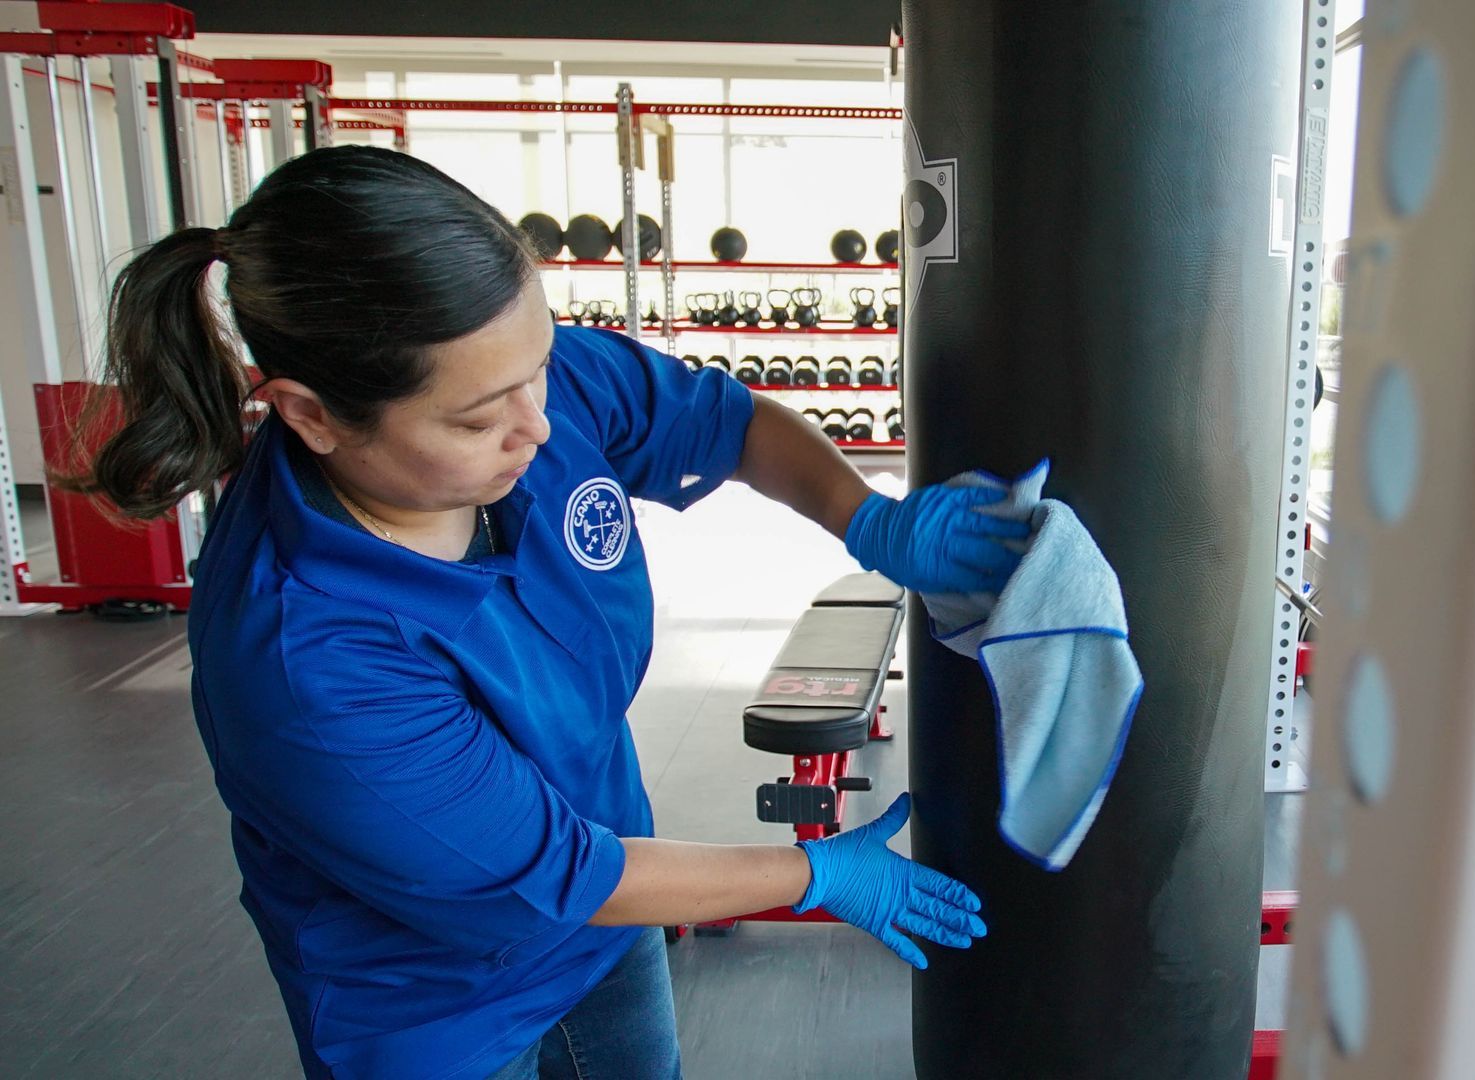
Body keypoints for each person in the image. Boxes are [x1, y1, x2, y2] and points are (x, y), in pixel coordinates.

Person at [67, 146, 1030, 1079]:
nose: (538, 420)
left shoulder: (535, 391)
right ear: (310, 414)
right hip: (434, 1010)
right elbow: (559, 874)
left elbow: (719, 420)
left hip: (608, 928)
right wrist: (815, 876)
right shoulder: (305, 660)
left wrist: (864, 517)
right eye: (479, 417)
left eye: (537, 368)